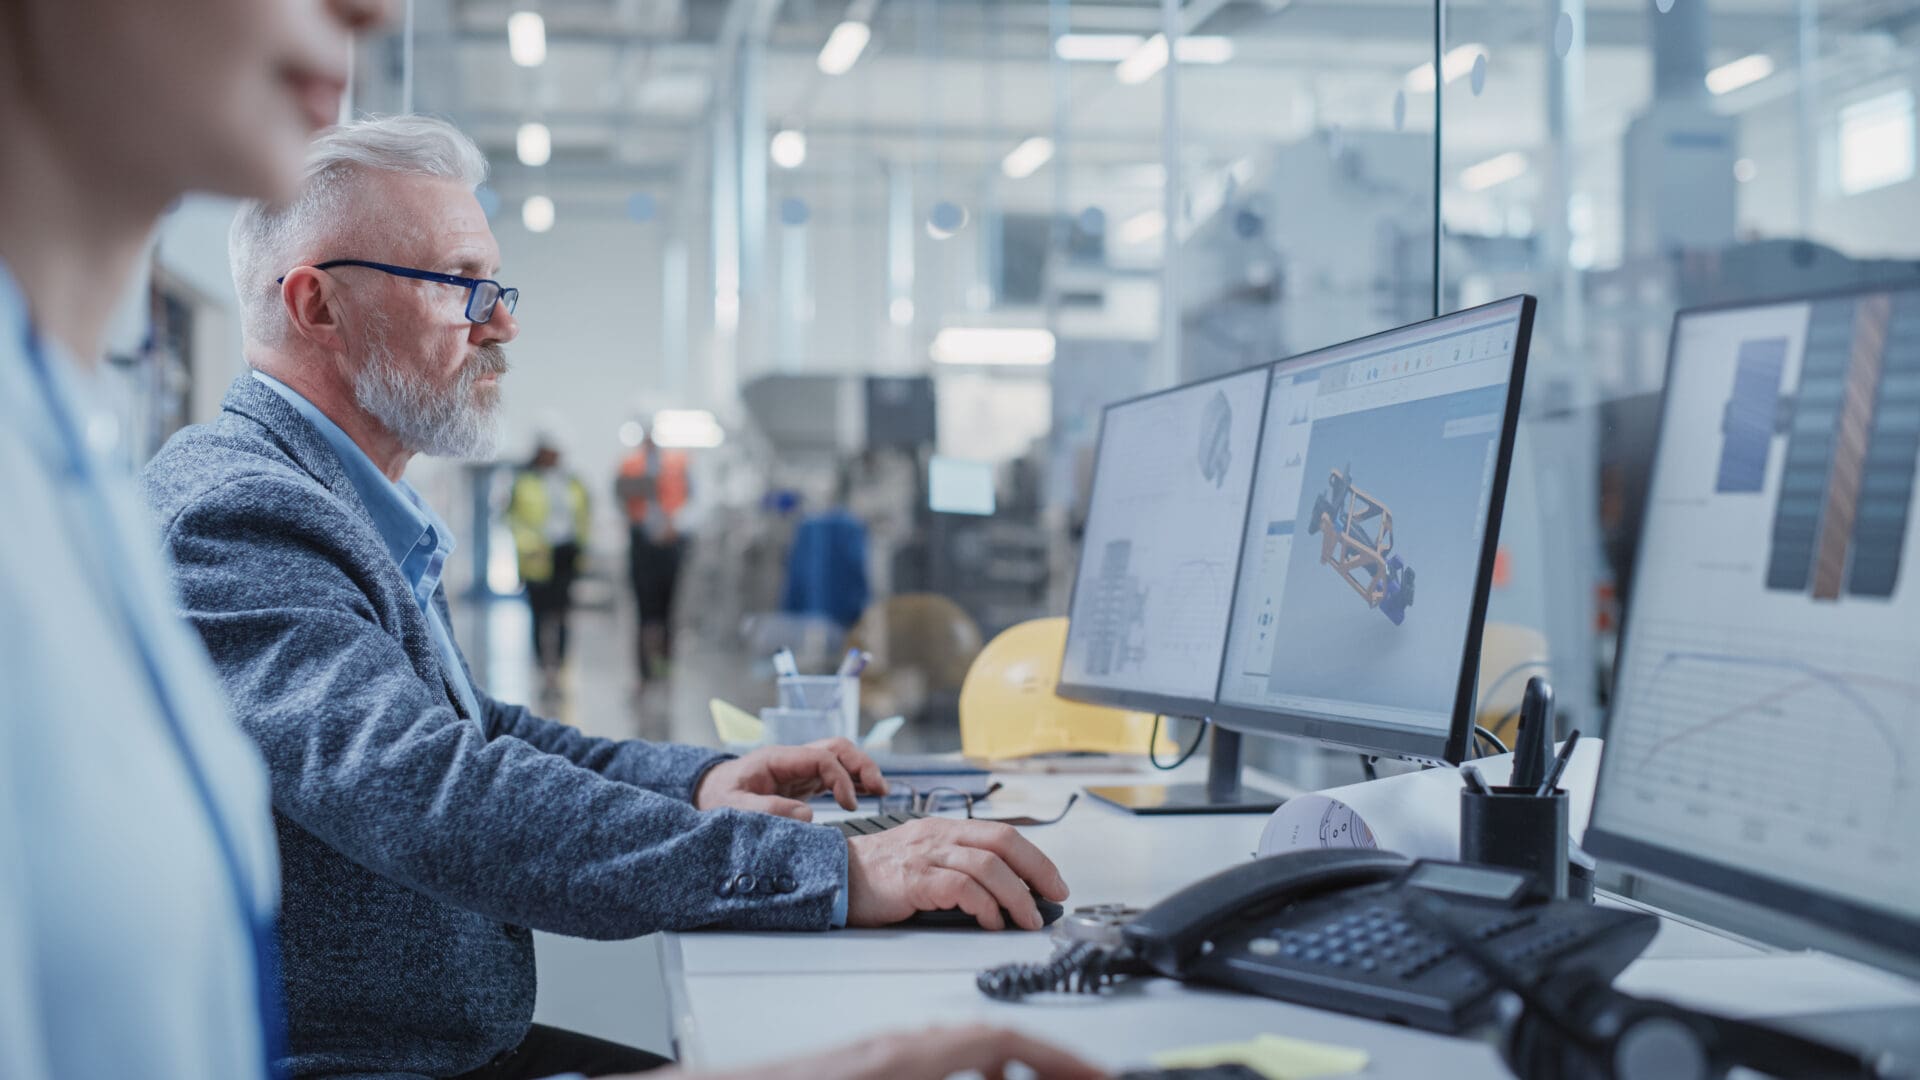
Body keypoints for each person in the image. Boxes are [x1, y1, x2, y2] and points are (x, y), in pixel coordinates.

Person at [141, 113, 1073, 1079]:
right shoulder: (237, 516)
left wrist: (700, 782)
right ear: (317, 306)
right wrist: (834, 870)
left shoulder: (338, 499)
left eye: (496, 287)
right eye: (462, 285)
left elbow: (476, 729)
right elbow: (428, 791)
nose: (500, 321)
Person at [509, 435, 590, 693]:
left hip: (565, 554)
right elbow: (514, 520)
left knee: (563, 615)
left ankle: (560, 669)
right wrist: (528, 548)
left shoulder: (572, 482)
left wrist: (581, 548)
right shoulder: (524, 482)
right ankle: (543, 669)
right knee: (540, 616)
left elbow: (583, 514)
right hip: (537, 558)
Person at [618, 428, 690, 681]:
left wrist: (675, 525)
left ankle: (665, 669)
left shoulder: (677, 463)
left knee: (668, 612)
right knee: (645, 613)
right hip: (643, 545)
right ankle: (645, 672)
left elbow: (690, 500)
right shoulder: (630, 464)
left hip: (671, 544)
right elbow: (621, 500)